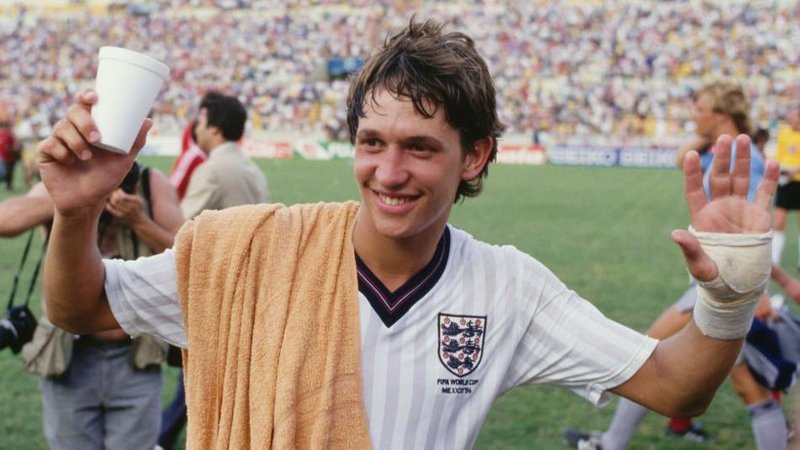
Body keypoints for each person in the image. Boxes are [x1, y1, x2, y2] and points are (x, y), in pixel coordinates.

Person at [37, 20, 778, 449]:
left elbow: (675, 384)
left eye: (420, 147)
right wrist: (75, 214)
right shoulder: (254, 251)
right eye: (372, 142)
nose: (389, 172)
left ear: (475, 156)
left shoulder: (508, 287)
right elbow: (82, 308)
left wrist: (731, 296)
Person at [563, 81, 793, 450]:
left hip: (729, 287)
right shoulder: (723, 150)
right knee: (750, 388)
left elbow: (752, 231)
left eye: (700, 109)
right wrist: (705, 134)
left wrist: (758, 289)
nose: (692, 115)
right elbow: (681, 158)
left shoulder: (742, 158)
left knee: (649, 354)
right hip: (718, 285)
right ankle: (614, 441)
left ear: (721, 114)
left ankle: (612, 443)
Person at [0, 160, 184, 449]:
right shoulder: (68, 183)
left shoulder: (150, 183)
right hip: (68, 358)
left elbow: (188, 256)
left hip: (136, 356)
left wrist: (139, 221)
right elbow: (5, 221)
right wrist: (76, 199)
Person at [157, 92, 270, 450]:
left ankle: (161, 439)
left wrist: (138, 219)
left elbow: (180, 231)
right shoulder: (252, 169)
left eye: (201, 121)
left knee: (199, 380)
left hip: (219, 292)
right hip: (252, 290)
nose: (196, 128)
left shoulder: (212, 170)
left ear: (215, 128)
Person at [771, 104, 800, 266]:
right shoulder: (784, 133)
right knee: (779, 221)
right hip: (785, 183)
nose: (790, 117)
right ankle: (774, 261)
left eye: (793, 114)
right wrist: (782, 169)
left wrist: (795, 169)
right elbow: (779, 156)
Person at [0, 120, 21, 190]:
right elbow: (11, 146)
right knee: (8, 172)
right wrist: (14, 149)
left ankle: (8, 185)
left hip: (6, 156)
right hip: (8, 157)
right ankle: (8, 185)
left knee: (8, 172)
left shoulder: (7, 134)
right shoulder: (8, 135)